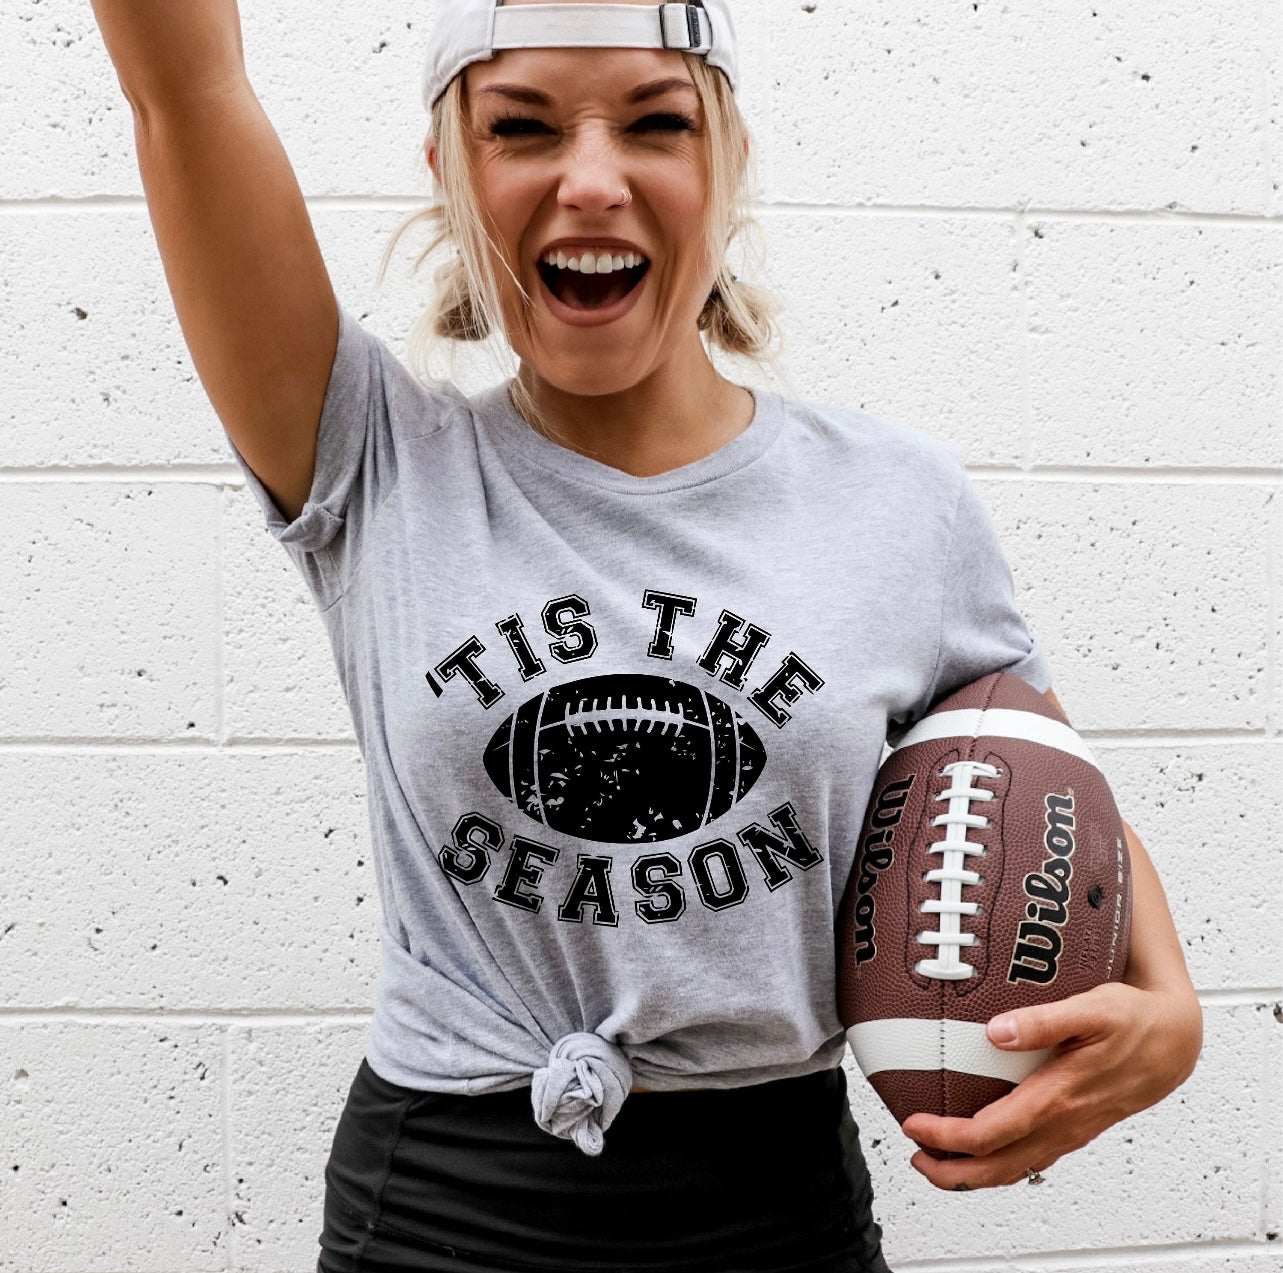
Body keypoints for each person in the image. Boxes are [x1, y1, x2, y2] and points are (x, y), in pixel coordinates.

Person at [88, 1, 1204, 1270]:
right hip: (447, 1207)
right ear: (450, 172)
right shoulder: (373, 456)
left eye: (655, 124)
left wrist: (1169, 1010)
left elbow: (1023, 773)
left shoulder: (897, 500)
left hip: (776, 1206)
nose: (591, 177)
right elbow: (183, 88)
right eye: (521, 128)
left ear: (724, 164)